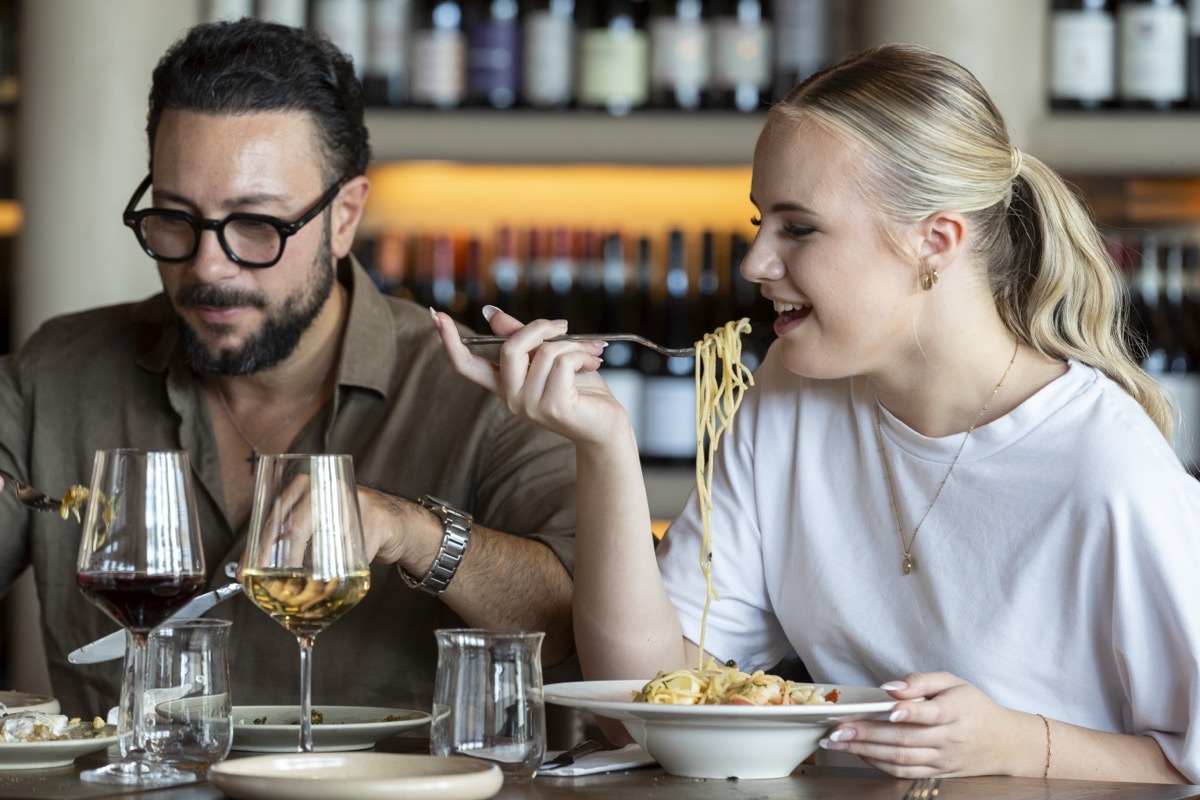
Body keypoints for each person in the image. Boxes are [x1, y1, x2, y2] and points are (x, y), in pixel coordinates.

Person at [436, 43, 1200, 783]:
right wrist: (604, 445)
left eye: (798, 228)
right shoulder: (791, 392)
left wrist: (1016, 744)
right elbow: (645, 700)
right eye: (758, 222)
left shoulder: (1107, 468)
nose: (755, 264)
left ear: (936, 240)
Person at [0, 18, 577, 717]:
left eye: (256, 225)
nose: (207, 267)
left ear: (344, 216)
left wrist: (414, 533)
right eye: (176, 219)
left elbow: (576, 628)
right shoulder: (57, 373)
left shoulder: (485, 388)